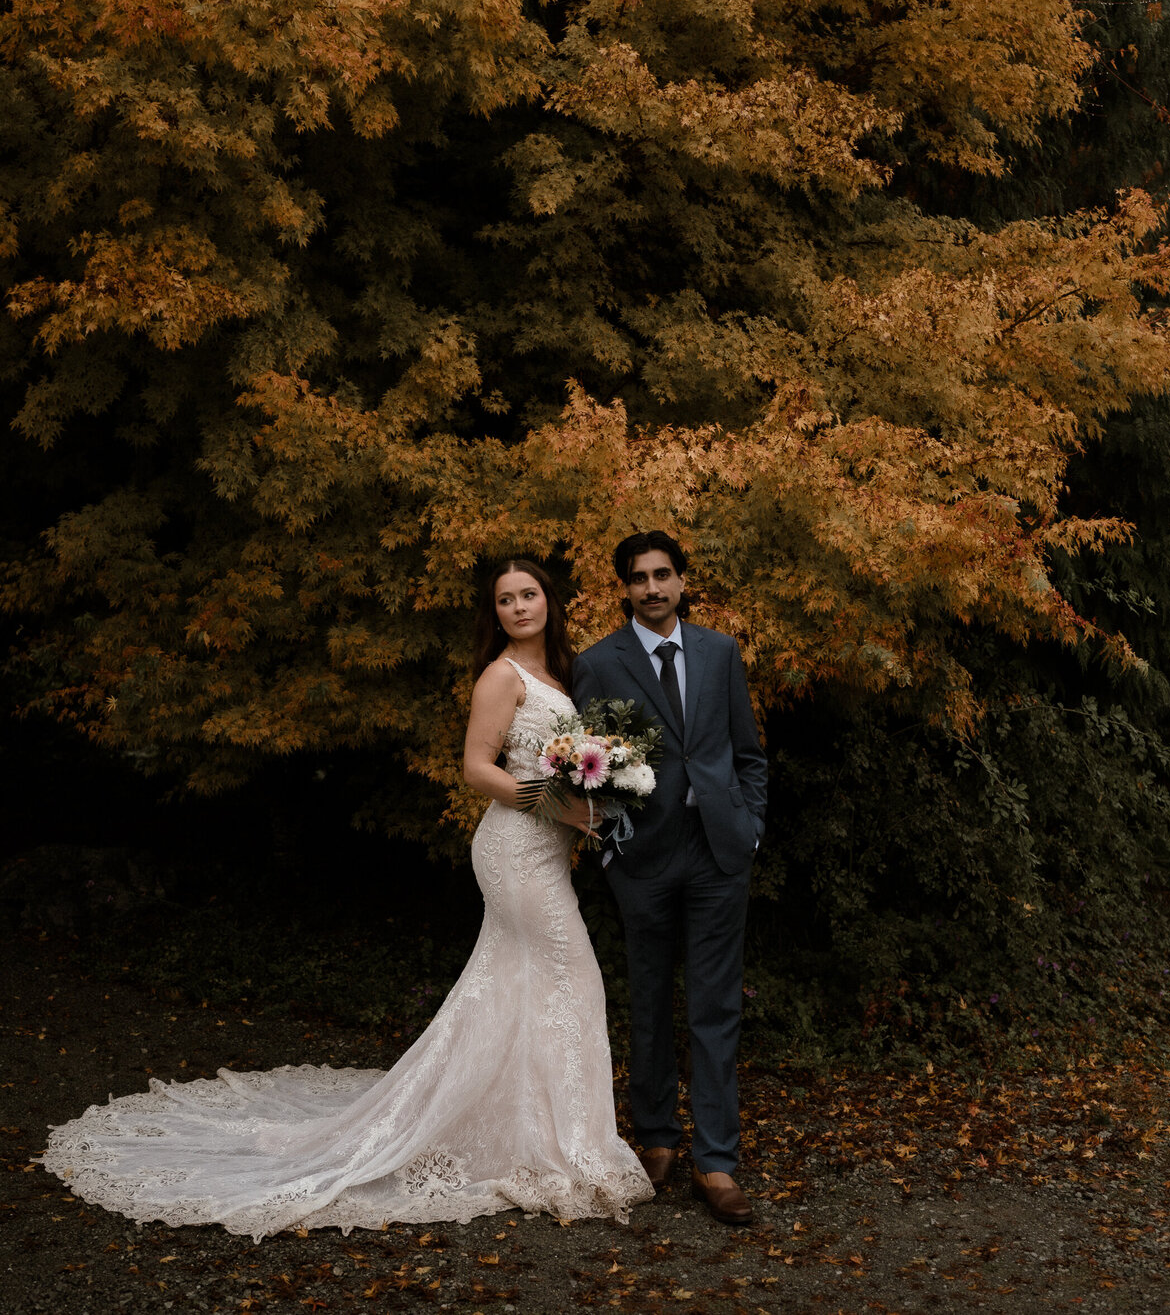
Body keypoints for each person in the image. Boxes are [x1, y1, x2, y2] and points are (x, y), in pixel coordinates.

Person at [39, 558, 653, 1239]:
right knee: (573, 980)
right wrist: (556, 805)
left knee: (522, 987)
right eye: (505, 599)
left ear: (548, 600)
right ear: (495, 613)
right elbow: (475, 766)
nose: (518, 607)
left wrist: (595, 799)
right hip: (513, 849)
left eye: (528, 594)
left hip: (545, 849)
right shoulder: (500, 676)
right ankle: (564, 1145)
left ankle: (523, 1130)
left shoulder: (563, 675)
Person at [572, 531, 767, 1225]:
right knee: (650, 1002)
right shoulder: (598, 663)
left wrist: (749, 827)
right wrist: (609, 851)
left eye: (663, 576)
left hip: (718, 853)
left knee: (715, 1007)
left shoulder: (719, 651)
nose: (652, 588)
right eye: (638, 579)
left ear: (682, 581)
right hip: (642, 860)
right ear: (624, 589)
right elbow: (585, 767)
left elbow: (748, 752)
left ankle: (716, 1163)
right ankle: (655, 1137)